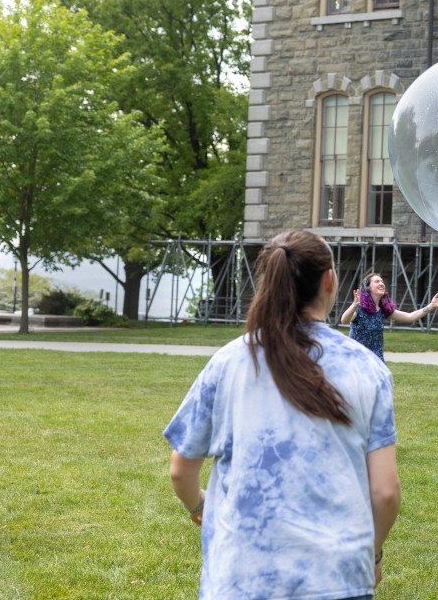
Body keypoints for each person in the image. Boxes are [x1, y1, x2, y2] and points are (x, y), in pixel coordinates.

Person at [164, 230, 401, 599]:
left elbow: (181, 469)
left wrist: (198, 504)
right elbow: (385, 493)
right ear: (328, 279)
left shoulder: (228, 362)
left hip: (240, 579)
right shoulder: (367, 369)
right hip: (337, 579)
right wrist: (372, 556)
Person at [340, 272, 438, 362]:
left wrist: (431, 306)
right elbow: (344, 320)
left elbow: (410, 316)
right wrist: (354, 305)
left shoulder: (383, 310)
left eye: (382, 281)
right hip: (356, 358)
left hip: (376, 360)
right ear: (368, 287)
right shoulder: (360, 308)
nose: (381, 283)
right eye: (377, 281)